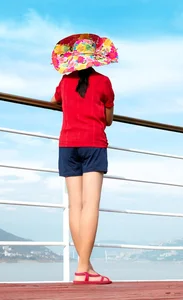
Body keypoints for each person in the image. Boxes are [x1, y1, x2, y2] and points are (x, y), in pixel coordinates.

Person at [50, 33, 117, 285]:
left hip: (67, 145)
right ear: (95, 58)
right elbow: (108, 120)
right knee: (91, 205)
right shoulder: (104, 82)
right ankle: (82, 270)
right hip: (93, 144)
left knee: (75, 206)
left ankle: (86, 267)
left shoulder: (65, 82)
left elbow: (54, 101)